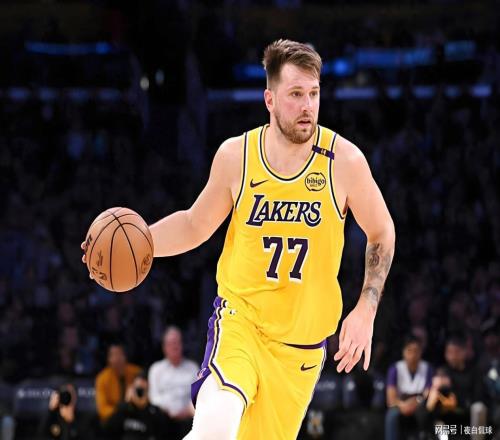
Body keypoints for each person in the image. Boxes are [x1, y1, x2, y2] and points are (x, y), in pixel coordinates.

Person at [82, 38, 396, 439]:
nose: (307, 106)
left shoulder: (344, 162)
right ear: (269, 99)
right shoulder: (237, 156)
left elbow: (382, 232)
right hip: (241, 322)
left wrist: (366, 308)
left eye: (314, 94)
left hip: (299, 349)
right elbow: (195, 224)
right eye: (295, 94)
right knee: (214, 427)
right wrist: (140, 243)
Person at [148, 326, 198, 437]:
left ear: (182, 345)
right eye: (171, 343)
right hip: (164, 417)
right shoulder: (156, 369)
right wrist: (170, 411)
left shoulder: (193, 368)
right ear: (164, 347)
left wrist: (187, 411)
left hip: (187, 417)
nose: (174, 347)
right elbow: (154, 397)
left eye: (177, 342)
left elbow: (198, 396)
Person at [385, 335, 433, 440]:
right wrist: (403, 406)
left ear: (421, 352)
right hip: (400, 404)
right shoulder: (395, 369)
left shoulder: (427, 368)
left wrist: (416, 403)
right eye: (409, 350)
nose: (413, 355)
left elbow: (428, 393)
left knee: (426, 414)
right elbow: (391, 400)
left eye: (416, 351)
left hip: (420, 404)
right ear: (403, 352)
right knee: (391, 416)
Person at [105, 372, 170, 440]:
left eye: (143, 390)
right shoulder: (124, 408)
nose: (140, 393)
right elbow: (109, 429)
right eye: (138, 389)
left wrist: (144, 408)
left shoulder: (154, 411)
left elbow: (161, 433)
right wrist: (126, 404)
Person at [95, 343, 141, 423]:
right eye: (114, 355)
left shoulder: (136, 372)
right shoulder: (102, 379)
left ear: (125, 357)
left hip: (134, 415)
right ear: (108, 359)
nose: (117, 358)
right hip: (113, 418)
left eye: (120, 354)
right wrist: (119, 413)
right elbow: (102, 409)